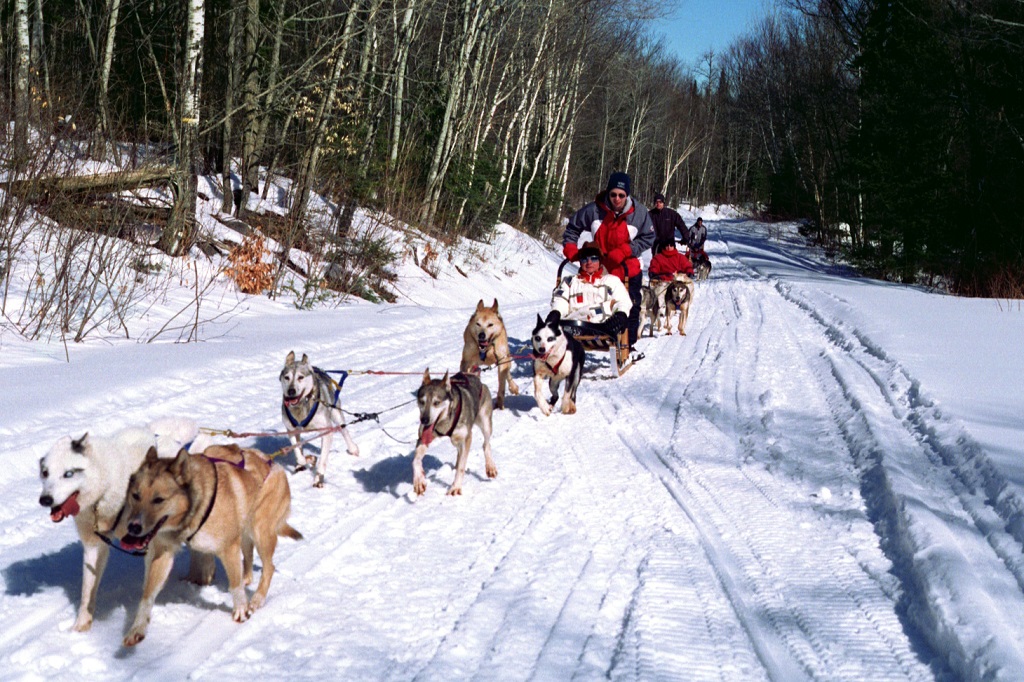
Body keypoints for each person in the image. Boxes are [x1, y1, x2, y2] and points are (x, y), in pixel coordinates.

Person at [562, 172, 654, 349]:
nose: (617, 199)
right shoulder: (593, 210)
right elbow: (572, 229)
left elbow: (649, 237)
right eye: (613, 194)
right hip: (600, 268)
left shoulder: (639, 213)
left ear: (627, 195)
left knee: (631, 304)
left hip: (628, 266)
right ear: (607, 193)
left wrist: (627, 250)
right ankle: (590, 334)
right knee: (595, 303)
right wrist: (571, 249)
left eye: (621, 195)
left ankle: (629, 344)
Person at [551, 242, 631, 338]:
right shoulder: (570, 281)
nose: (589, 262)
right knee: (555, 327)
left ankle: (597, 330)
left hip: (603, 323)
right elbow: (560, 299)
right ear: (580, 262)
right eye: (584, 259)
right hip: (576, 322)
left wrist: (620, 313)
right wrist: (556, 312)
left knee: (612, 317)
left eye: (594, 258)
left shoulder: (611, 280)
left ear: (600, 261)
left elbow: (622, 300)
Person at [648, 240, 694, 317]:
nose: (669, 247)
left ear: (674, 246)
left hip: (677, 281)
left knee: (687, 288)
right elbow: (654, 267)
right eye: (667, 245)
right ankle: (661, 309)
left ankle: (684, 304)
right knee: (660, 292)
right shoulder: (658, 258)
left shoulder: (680, 257)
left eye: (671, 245)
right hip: (663, 281)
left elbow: (687, 266)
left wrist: (689, 272)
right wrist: (653, 273)